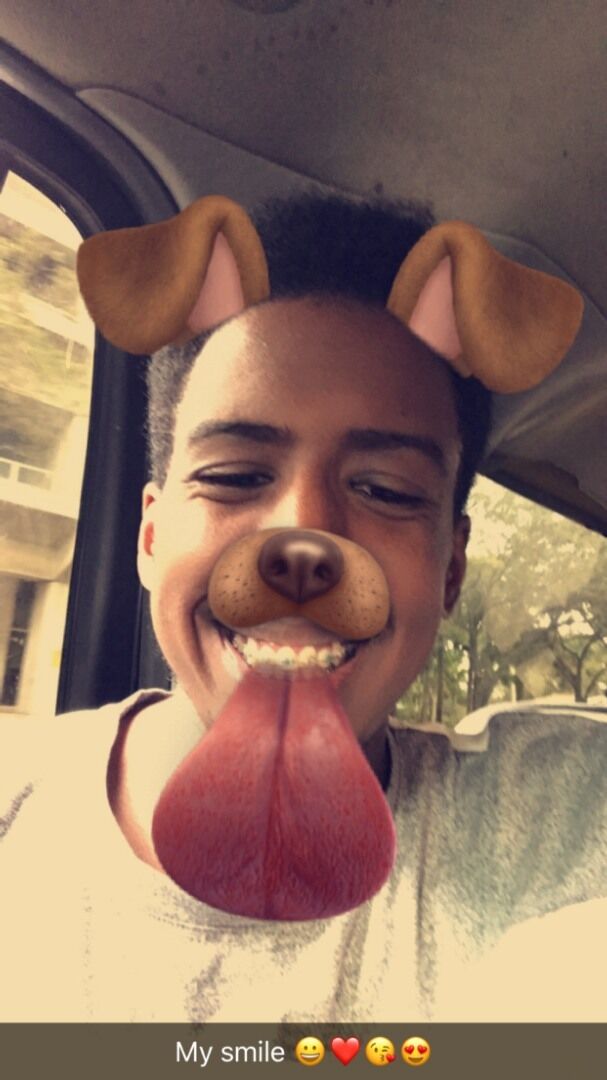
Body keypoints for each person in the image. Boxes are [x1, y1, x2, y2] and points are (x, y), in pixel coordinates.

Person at [1, 193, 605, 1022]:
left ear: (450, 570)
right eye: (235, 477)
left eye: (386, 490)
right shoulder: (15, 806)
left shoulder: (556, 820)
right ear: (150, 538)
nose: (304, 536)